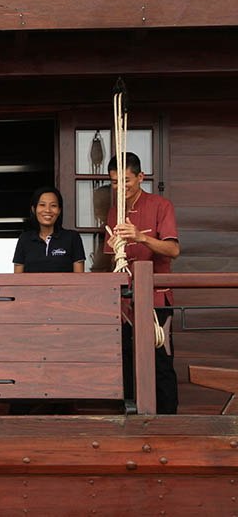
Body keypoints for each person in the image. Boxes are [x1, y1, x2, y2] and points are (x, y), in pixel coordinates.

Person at [104, 152, 180, 414]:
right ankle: (131, 419)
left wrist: (140, 237)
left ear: (140, 177)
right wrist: (116, 249)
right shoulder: (115, 211)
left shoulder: (161, 205)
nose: (120, 187)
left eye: (126, 181)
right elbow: (110, 261)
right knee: (126, 362)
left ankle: (169, 422)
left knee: (160, 362)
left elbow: (172, 250)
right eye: (114, 182)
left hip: (157, 300)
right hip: (125, 304)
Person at [13, 186, 85, 273]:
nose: (47, 210)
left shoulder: (72, 237)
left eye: (53, 206)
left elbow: (79, 278)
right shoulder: (24, 239)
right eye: (42, 205)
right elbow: (17, 279)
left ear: (59, 210)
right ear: (34, 209)